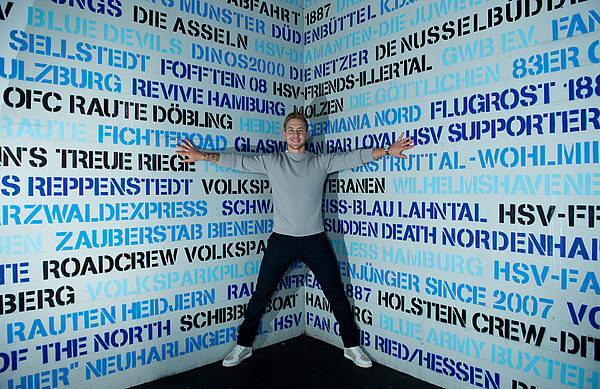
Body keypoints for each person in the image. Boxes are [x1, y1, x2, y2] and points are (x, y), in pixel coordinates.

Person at [176, 112, 414, 368]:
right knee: (260, 295)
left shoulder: (321, 162)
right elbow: (239, 162)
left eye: (300, 130)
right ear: (284, 133)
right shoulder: (273, 162)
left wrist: (389, 150)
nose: (295, 134)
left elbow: (354, 157)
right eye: (291, 130)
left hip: (315, 241)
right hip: (282, 241)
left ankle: (351, 346)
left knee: (336, 294)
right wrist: (202, 156)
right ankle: (243, 345)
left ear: (307, 134)